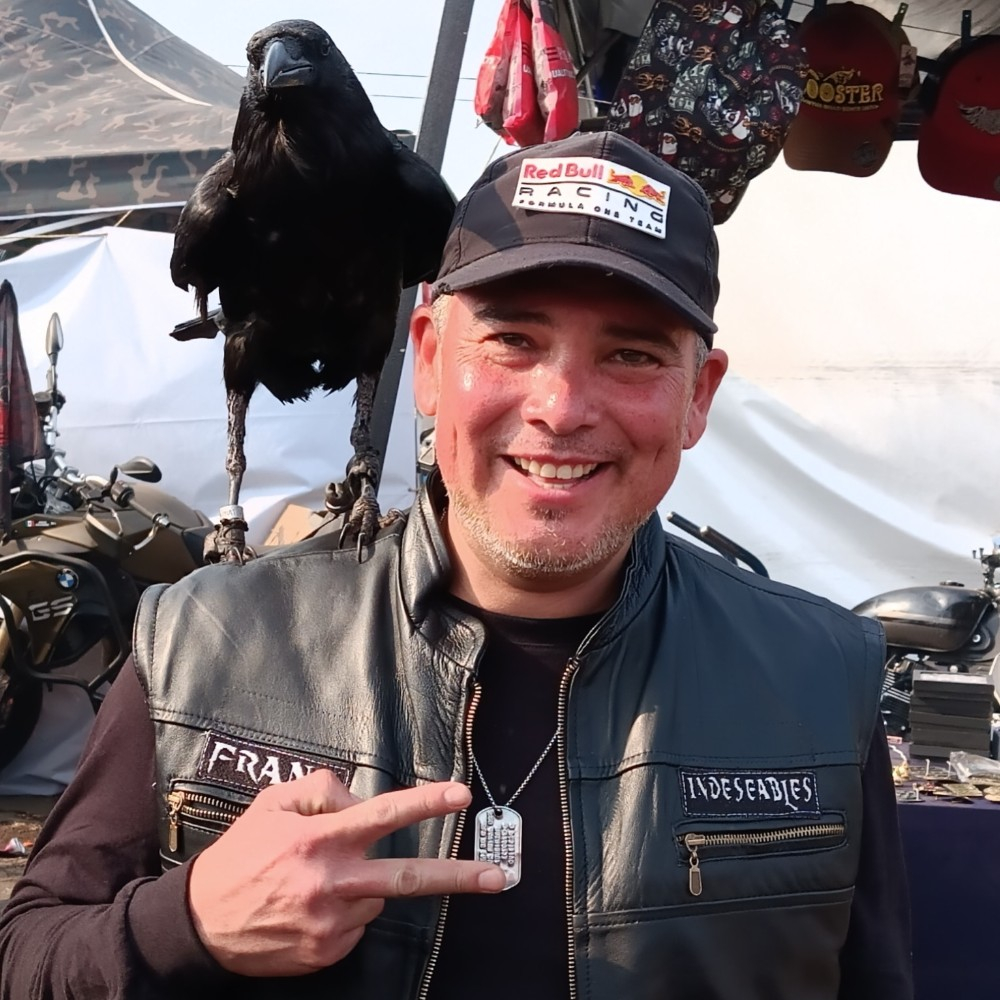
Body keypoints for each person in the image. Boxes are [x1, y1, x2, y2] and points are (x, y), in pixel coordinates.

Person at [0, 131, 912, 999]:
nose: (561, 407)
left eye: (631, 355)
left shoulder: (817, 680)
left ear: (697, 398)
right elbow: (26, 956)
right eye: (514, 341)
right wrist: (189, 921)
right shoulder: (205, 641)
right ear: (432, 359)